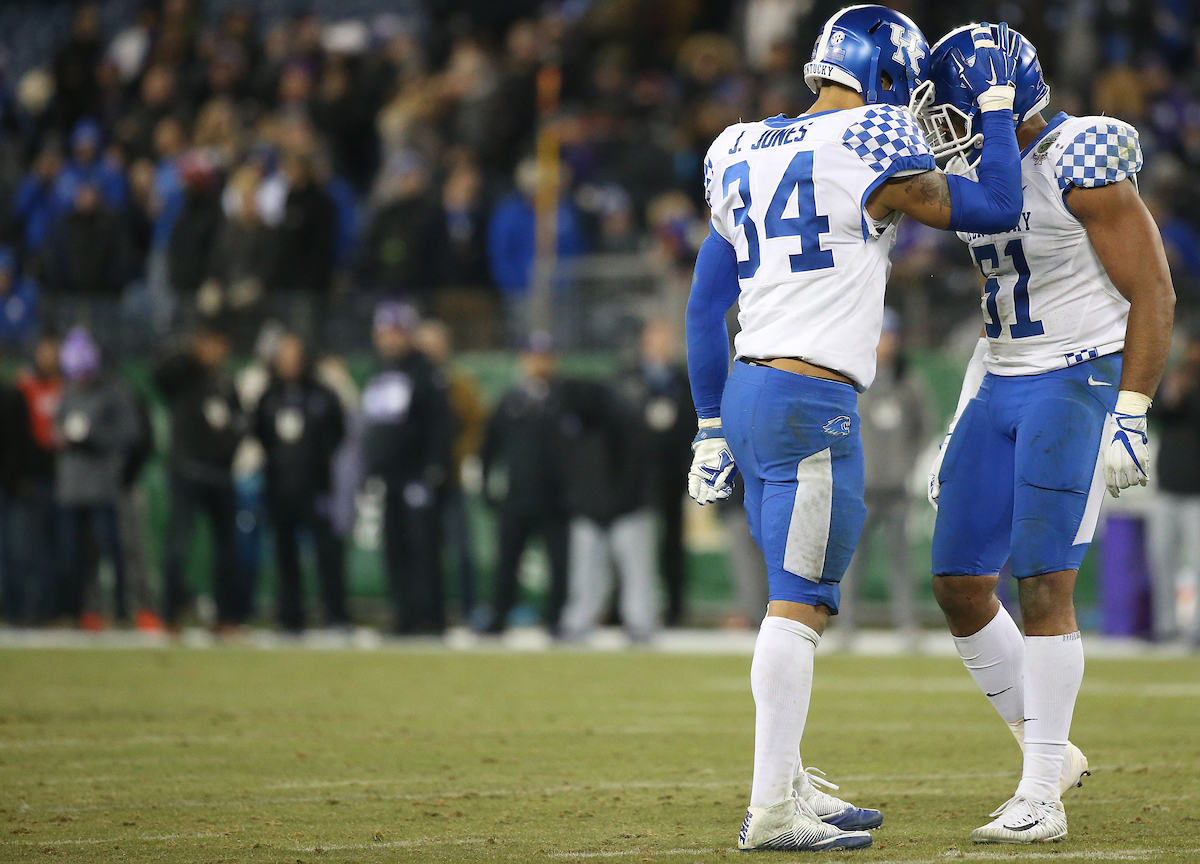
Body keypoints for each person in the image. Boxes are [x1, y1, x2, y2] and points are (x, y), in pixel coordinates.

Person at [685, 10, 1026, 851]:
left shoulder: (735, 145)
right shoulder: (875, 135)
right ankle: (772, 805)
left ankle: (789, 778)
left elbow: (704, 306)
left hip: (749, 390)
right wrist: (993, 111)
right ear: (887, 76)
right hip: (811, 400)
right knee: (799, 606)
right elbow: (997, 208)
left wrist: (708, 423)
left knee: (789, 597)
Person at [918, 25, 1176, 843]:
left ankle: (1040, 797)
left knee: (1042, 584)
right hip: (999, 377)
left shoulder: (1080, 156)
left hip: (1075, 377)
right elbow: (997, 308)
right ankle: (1051, 753)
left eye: (952, 105)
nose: (941, 122)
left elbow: (1155, 291)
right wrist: (963, 413)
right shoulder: (980, 170)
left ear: (1004, 97)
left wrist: (1131, 410)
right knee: (958, 583)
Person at [838, 309, 930, 643]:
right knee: (852, 560)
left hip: (896, 488)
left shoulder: (909, 381)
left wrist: (909, 466)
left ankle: (906, 625)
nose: (885, 343)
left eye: (890, 336)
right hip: (860, 488)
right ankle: (845, 626)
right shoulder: (854, 380)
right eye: (880, 336)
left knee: (901, 561)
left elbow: (923, 429)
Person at [361, 302, 451, 635]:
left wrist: (432, 468)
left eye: (396, 332)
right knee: (394, 546)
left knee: (422, 547)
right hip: (389, 476)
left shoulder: (424, 371)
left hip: (416, 474)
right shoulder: (379, 371)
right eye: (385, 332)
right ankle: (403, 616)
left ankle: (428, 618)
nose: (389, 339)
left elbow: (441, 423)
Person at [153, 324, 245, 631]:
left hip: (221, 475)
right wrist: (186, 353)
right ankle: (169, 614)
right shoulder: (183, 377)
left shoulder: (226, 383)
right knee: (178, 544)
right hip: (187, 472)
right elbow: (159, 375)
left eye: (218, 345)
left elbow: (239, 422)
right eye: (207, 344)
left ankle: (226, 617)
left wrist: (229, 447)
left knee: (227, 549)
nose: (213, 351)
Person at [254, 332, 348, 633]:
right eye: (283, 357)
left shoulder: (322, 394)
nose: (289, 363)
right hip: (279, 488)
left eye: (294, 356)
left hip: (316, 487)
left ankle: (334, 616)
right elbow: (260, 433)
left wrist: (316, 461)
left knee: (327, 554)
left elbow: (338, 432)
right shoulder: (269, 396)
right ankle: (289, 617)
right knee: (285, 556)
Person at [557, 380, 660, 643]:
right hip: (595, 509)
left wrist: (619, 502)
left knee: (634, 571)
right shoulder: (579, 423)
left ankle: (639, 623)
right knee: (588, 572)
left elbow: (636, 469)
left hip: (628, 509)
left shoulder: (623, 420)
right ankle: (579, 623)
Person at [480, 333, 570, 635]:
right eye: (534, 357)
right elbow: (489, 446)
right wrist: (485, 484)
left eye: (544, 357)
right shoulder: (510, 400)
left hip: (555, 497)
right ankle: (499, 616)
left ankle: (556, 618)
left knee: (559, 562)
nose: (539, 363)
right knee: (507, 561)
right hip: (517, 495)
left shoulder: (564, 398)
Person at [54, 327, 140, 628]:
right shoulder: (67, 392)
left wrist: (94, 439)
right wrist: (65, 438)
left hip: (103, 487)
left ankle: (121, 609)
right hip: (71, 488)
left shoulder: (115, 392)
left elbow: (130, 434)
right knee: (71, 555)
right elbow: (56, 430)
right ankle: (74, 611)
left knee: (113, 553)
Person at [615, 319, 695, 627]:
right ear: (645, 343)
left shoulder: (682, 380)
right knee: (630, 542)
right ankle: (623, 608)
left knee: (672, 542)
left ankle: (674, 608)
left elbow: (691, 424)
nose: (663, 347)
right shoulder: (628, 377)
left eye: (667, 340)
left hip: (672, 472)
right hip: (636, 475)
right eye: (657, 340)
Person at [415, 319, 486, 621]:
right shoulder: (408, 381)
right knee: (421, 550)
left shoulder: (459, 383)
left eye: (436, 345)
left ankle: (467, 609)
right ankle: (425, 612)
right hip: (416, 480)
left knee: (462, 551)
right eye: (425, 346)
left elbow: (475, 426)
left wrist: (455, 457)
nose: (431, 351)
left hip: (451, 477)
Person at [1148, 333, 1200, 648]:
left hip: (1197, 493)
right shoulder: (1175, 378)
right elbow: (1154, 413)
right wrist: (1173, 393)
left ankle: (1196, 631)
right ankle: (1165, 627)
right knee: (1161, 560)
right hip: (1167, 487)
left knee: (1197, 563)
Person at [8, 336, 63, 622]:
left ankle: (51, 610)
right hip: (33, 478)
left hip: (64, 477)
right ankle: (22, 611)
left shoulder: (68, 386)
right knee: (26, 550)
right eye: (45, 351)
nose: (50, 357)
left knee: (59, 551)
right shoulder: (23, 387)